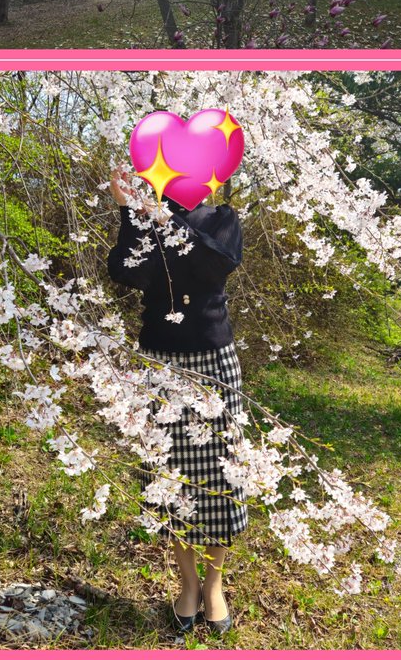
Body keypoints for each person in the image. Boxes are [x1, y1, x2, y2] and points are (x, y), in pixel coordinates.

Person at [106, 168, 247, 636]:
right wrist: (130, 209)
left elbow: (217, 262)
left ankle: (213, 585)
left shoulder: (223, 218)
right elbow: (124, 270)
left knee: (220, 474)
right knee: (169, 477)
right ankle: (187, 583)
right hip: (159, 360)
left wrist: (164, 220)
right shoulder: (146, 219)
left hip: (213, 360)